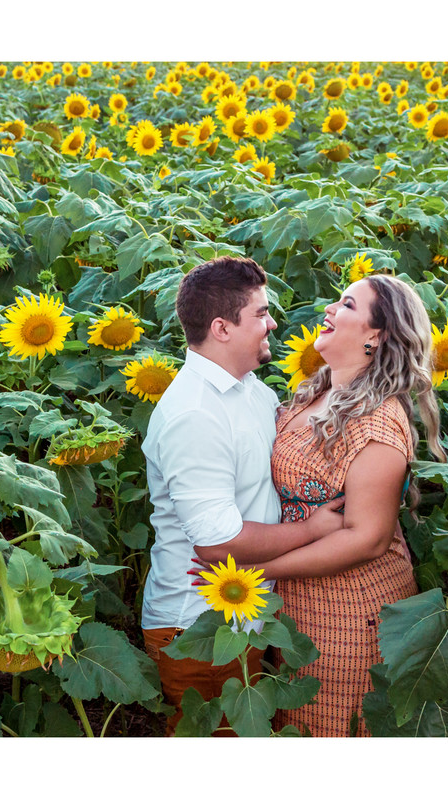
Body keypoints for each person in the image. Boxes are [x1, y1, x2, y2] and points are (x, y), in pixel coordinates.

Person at [218, 274, 445, 737]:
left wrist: (265, 568)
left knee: (334, 730)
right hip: (295, 601)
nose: (329, 309)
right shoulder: (316, 390)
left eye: (346, 304)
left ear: (375, 335)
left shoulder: (378, 420)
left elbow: (368, 539)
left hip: (349, 610)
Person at [140, 255, 345, 737]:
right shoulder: (196, 414)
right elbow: (217, 545)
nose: (272, 323)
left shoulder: (250, 391)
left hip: (244, 613)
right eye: (260, 313)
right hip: (200, 625)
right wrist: (313, 530)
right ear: (221, 328)